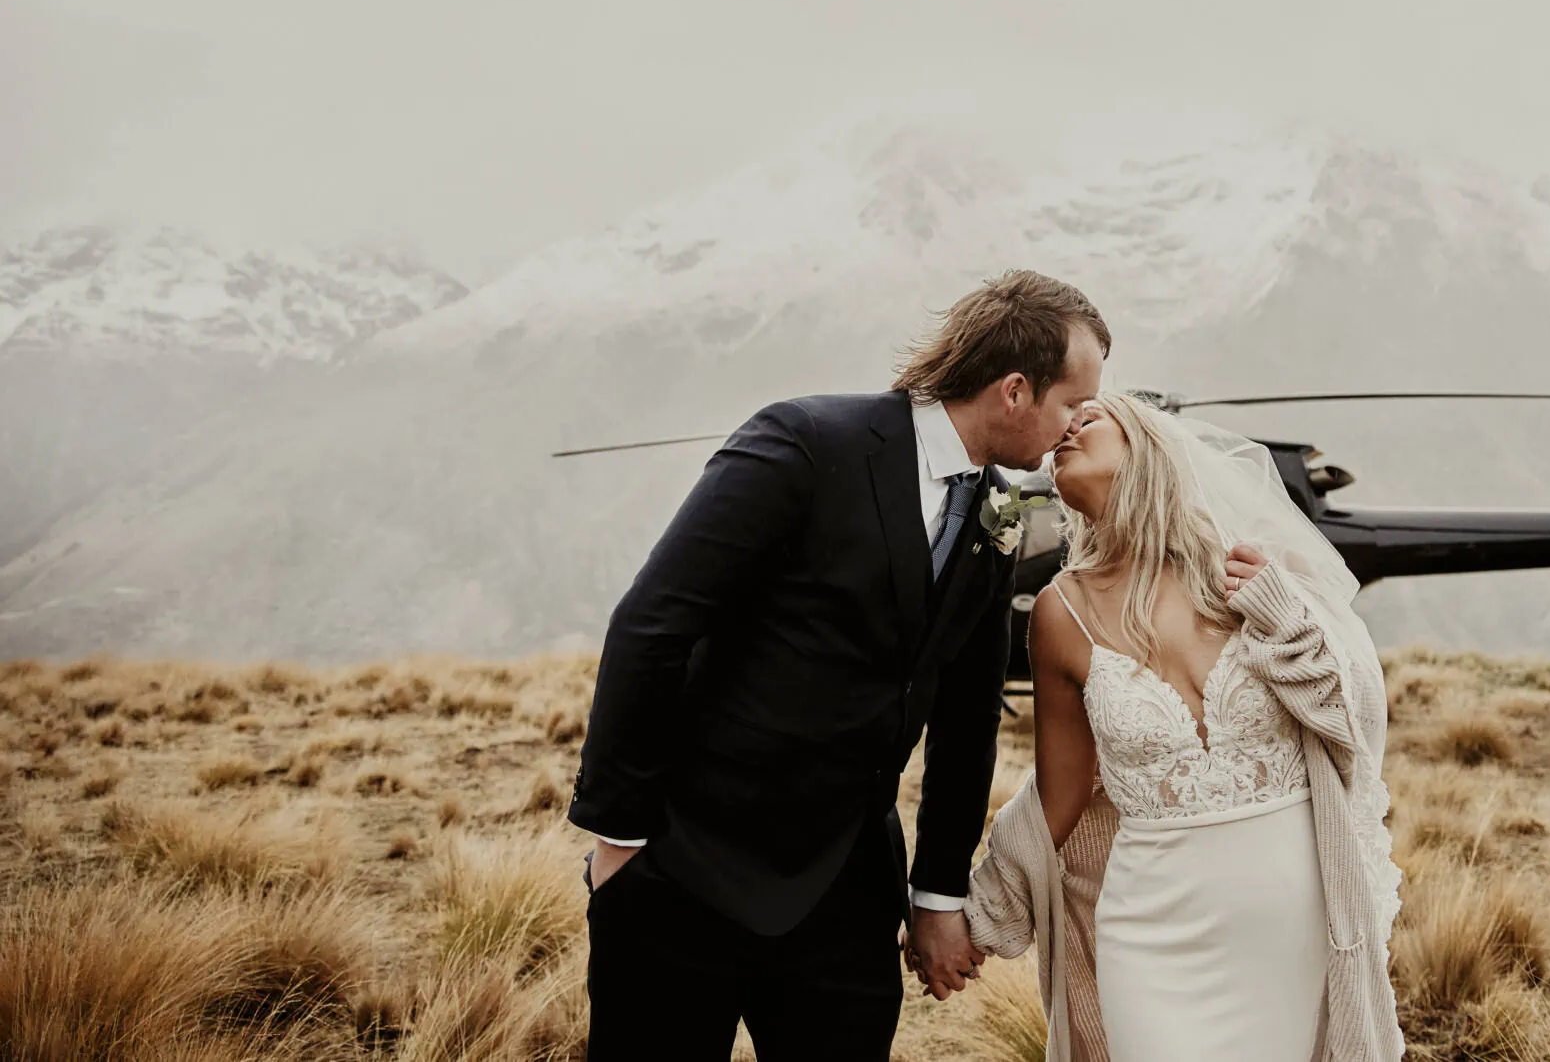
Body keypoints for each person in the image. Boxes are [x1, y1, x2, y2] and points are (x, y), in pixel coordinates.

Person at [568, 269, 1109, 1060]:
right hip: (685, 872)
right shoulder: (804, 442)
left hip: (846, 899)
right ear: (1015, 390)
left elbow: (966, 721)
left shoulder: (996, 515)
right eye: (1072, 403)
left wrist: (935, 893)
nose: (1077, 424)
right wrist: (618, 836)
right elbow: (654, 622)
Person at [945, 392, 1406, 1062]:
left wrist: (1289, 625)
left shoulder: (1253, 568)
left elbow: (1351, 725)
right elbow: (1058, 799)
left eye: (1089, 420)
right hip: (1150, 933)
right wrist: (970, 916)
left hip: (1291, 932)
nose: (1064, 436)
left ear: (1148, 448)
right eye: (1059, 434)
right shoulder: (1058, 612)